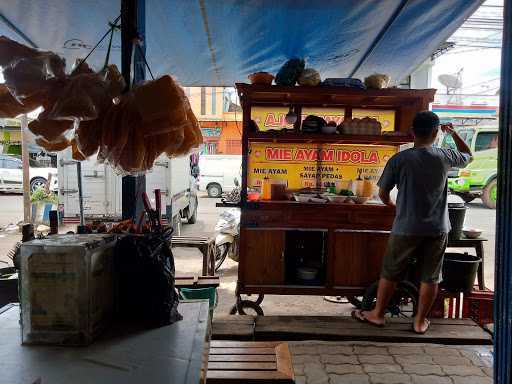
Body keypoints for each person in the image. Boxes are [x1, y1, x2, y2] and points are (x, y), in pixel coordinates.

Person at [352, 111, 472, 334]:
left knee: (390, 272)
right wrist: (454, 133)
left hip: (406, 226)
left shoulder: (400, 159)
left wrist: (392, 206)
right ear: (436, 133)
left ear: (412, 132)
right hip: (437, 228)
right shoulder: (445, 156)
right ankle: (419, 322)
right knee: (431, 276)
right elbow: (468, 155)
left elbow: (384, 193)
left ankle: (377, 315)